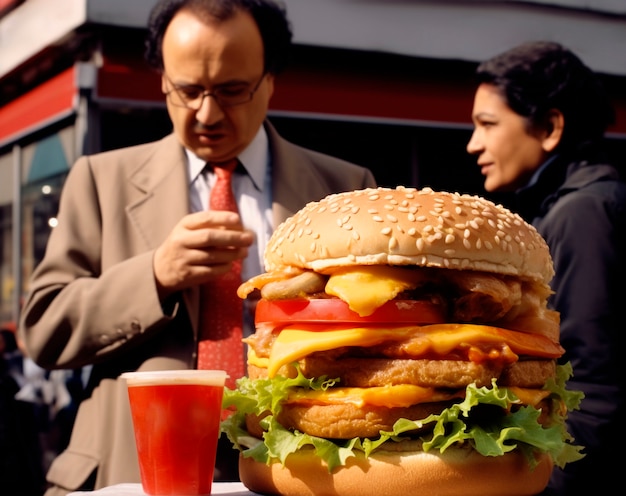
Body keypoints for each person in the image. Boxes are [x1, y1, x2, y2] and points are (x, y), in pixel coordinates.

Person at [18, 1, 376, 494]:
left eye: (232, 91)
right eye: (187, 91)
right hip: (134, 468)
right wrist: (154, 276)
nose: (206, 114)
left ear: (269, 80)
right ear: (163, 81)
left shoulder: (345, 189)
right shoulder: (102, 180)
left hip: (302, 468)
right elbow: (41, 330)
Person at [466, 40, 625, 495]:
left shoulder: (582, 213)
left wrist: (542, 484)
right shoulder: (573, 204)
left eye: (487, 124)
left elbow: (595, 385)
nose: (473, 143)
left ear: (551, 127)